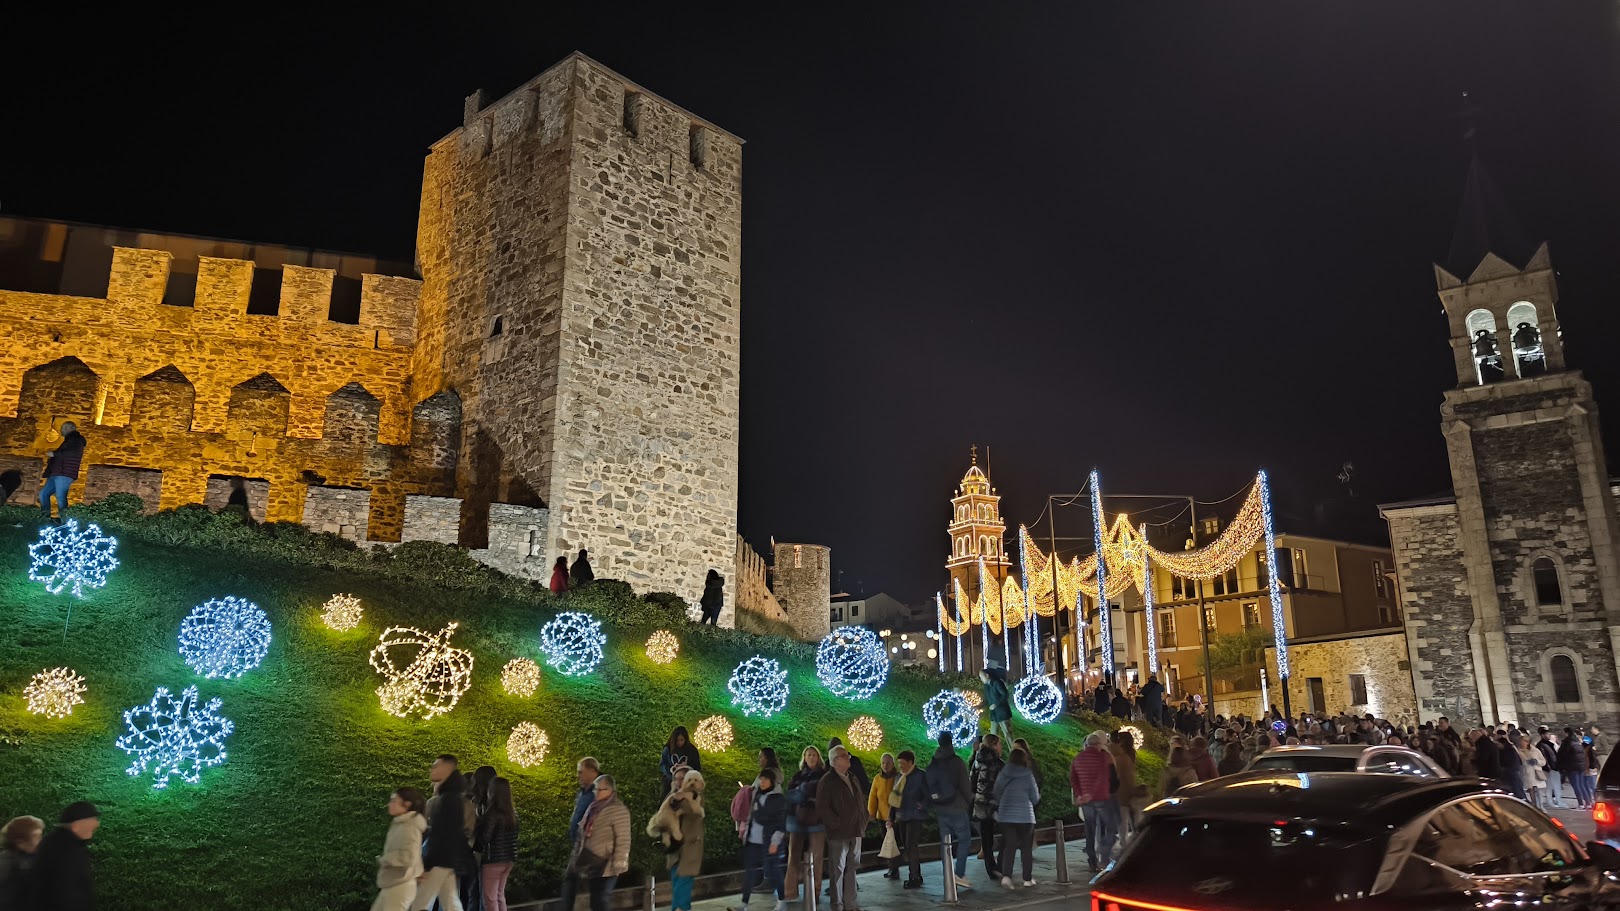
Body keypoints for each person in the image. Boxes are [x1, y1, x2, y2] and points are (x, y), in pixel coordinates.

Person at [567, 773, 632, 911]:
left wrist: (619, 864)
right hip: (592, 861)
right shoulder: (593, 807)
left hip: (607, 863)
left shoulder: (618, 810)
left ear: (610, 791)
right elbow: (582, 831)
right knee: (596, 901)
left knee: (601, 900)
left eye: (599, 789)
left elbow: (623, 839)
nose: (596, 793)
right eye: (595, 789)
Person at [819, 747, 869, 911]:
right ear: (834, 761)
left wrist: (864, 819)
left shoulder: (852, 777)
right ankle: (838, 905)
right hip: (839, 832)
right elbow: (823, 807)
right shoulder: (827, 781)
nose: (848, 757)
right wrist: (836, 823)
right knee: (837, 870)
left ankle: (851, 904)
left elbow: (860, 800)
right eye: (844, 756)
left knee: (852, 868)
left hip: (855, 830)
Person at [417, 758, 471, 911]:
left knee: (421, 904)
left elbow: (443, 833)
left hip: (439, 860)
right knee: (450, 903)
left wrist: (426, 863)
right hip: (447, 860)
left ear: (447, 769)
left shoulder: (448, 799)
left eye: (435, 766)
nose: (431, 770)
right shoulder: (452, 797)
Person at [734, 767, 789, 911]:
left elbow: (780, 823)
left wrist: (775, 841)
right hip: (754, 840)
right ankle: (744, 904)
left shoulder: (778, 798)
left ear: (772, 781)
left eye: (765, 779)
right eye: (761, 779)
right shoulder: (757, 795)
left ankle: (781, 900)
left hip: (769, 841)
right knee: (750, 873)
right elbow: (752, 816)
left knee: (774, 871)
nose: (762, 782)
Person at [927, 731, 974, 889]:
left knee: (945, 842)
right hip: (957, 806)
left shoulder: (934, 762)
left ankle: (948, 872)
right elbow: (965, 787)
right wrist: (969, 802)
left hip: (940, 808)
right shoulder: (957, 762)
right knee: (964, 839)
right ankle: (959, 874)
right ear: (951, 742)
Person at [31, 801, 99, 911]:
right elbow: (67, 896)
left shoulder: (53, 841)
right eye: (92, 820)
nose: (97, 824)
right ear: (77, 824)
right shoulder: (68, 853)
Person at [784, 747, 828, 904]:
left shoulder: (824, 775)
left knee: (817, 856)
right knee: (793, 855)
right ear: (804, 757)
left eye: (814, 755)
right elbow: (790, 795)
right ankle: (790, 891)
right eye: (809, 755)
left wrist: (802, 791)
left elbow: (821, 792)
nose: (812, 757)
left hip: (817, 820)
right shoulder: (798, 775)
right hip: (798, 819)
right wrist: (803, 793)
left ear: (818, 757)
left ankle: (815, 891)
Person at [373, 787, 428, 911]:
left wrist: (385, 859)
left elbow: (408, 857)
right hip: (394, 883)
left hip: (399, 885)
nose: (389, 804)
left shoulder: (409, 827)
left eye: (394, 801)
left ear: (407, 804)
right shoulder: (402, 824)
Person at [992, 747, 1040, 889]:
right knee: (1026, 848)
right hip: (1025, 816)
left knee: (1009, 846)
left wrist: (1003, 803)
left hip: (1006, 815)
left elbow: (996, 792)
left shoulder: (1004, 773)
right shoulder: (1028, 774)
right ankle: (1027, 879)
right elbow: (1035, 797)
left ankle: (1007, 876)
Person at [1070, 732, 1118, 873]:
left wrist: (1080, 795)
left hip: (1085, 801)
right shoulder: (1102, 758)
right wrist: (1091, 794)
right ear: (1098, 745)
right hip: (1101, 798)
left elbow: (1073, 779)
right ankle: (1104, 853)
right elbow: (1102, 778)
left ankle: (1092, 862)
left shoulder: (1077, 759)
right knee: (1110, 826)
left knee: (1089, 830)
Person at [560, 758, 603, 911]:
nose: (578, 775)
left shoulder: (599, 792)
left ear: (593, 771)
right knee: (571, 880)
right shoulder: (582, 792)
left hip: (591, 847)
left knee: (592, 887)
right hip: (579, 846)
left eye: (581, 772)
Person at [660, 770, 705, 911]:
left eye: (682, 778)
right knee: (676, 880)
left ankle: (681, 908)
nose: (679, 781)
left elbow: (695, 813)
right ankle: (678, 908)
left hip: (690, 845)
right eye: (677, 778)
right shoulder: (671, 796)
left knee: (684, 879)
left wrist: (681, 798)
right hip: (674, 845)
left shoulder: (697, 797)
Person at [968, 733, 1005, 881]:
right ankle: (1000, 866)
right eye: (999, 744)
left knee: (986, 837)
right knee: (1007, 835)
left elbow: (972, 782)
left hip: (981, 803)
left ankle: (991, 868)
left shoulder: (977, 761)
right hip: (995, 804)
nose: (1001, 746)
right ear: (994, 745)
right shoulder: (998, 763)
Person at [891, 750, 930, 890]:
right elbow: (894, 798)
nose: (900, 766)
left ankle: (913, 876)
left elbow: (928, 794)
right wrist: (891, 817)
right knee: (907, 846)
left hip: (915, 815)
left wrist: (921, 805)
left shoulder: (920, 776)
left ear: (910, 762)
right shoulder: (898, 777)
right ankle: (916, 874)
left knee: (911, 844)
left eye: (902, 763)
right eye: (899, 763)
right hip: (901, 815)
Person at [480, 778, 519, 911]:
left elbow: (486, 837)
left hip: (494, 859)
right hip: (509, 858)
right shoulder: (513, 813)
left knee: (490, 898)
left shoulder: (493, 813)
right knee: (499, 895)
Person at [38, 421, 85, 522]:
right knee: (43, 494)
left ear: (69, 428)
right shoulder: (69, 441)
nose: (60, 430)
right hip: (57, 472)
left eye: (63, 428)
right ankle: (45, 518)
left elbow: (72, 453)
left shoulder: (76, 440)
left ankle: (65, 521)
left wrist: (54, 454)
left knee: (61, 497)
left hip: (64, 473)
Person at [867, 753, 900, 879]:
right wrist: (871, 812)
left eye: (888, 763)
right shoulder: (877, 779)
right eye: (883, 763)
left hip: (895, 817)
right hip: (882, 816)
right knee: (887, 842)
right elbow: (873, 797)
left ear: (893, 764)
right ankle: (891, 867)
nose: (885, 765)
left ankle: (894, 868)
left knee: (894, 842)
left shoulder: (897, 778)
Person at [0, 815, 43, 908]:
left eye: (40, 835)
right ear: (20, 842)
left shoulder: (32, 858)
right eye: (36, 836)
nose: (40, 841)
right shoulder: (6, 863)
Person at [1108, 731, 1141, 838]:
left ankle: (1123, 840)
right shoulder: (1128, 755)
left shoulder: (1112, 754)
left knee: (1122, 817)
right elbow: (1129, 775)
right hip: (1125, 789)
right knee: (1128, 816)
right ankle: (1132, 837)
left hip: (1115, 789)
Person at [661, 727, 704, 797]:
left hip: (687, 781)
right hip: (670, 779)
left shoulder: (692, 750)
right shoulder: (668, 749)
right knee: (666, 798)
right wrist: (671, 772)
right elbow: (663, 764)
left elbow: (697, 767)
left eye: (682, 740)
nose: (679, 742)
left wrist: (687, 771)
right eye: (677, 740)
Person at [1559, 726, 1592, 809]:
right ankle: (1588, 803)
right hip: (1580, 766)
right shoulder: (1577, 741)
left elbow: (1562, 755)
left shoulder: (1567, 742)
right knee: (1581, 785)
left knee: (1576, 785)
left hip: (1572, 767)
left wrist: (1561, 766)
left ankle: (1581, 803)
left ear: (1566, 733)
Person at [981, 666, 1012, 741]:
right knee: (992, 736)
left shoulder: (997, 683)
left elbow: (1005, 694)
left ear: (987, 676)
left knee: (1008, 735)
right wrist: (978, 707)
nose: (981, 679)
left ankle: (1014, 751)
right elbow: (986, 700)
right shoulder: (986, 686)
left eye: (982, 677)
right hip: (994, 715)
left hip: (1002, 713)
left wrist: (996, 704)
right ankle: (994, 752)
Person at [1537, 728, 1563, 809]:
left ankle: (1555, 800)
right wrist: (1548, 767)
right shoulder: (1541, 745)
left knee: (1554, 785)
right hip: (1549, 768)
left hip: (1554, 767)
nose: (1549, 736)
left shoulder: (1549, 744)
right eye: (1547, 734)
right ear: (1542, 735)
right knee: (1549, 786)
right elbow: (1545, 757)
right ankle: (1550, 801)